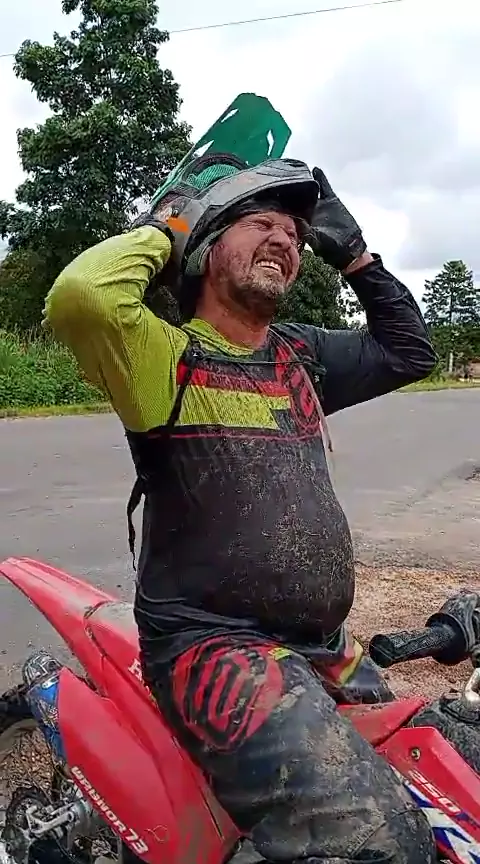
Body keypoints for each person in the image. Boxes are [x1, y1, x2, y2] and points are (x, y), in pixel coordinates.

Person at [44, 156, 437, 863]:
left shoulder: (301, 356)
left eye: (295, 233)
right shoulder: (163, 357)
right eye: (260, 223)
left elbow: (410, 352)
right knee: (383, 844)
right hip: (212, 648)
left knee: (441, 771)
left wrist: (354, 255)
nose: (285, 239)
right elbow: (84, 297)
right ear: (205, 248)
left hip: (322, 646)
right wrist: (169, 226)